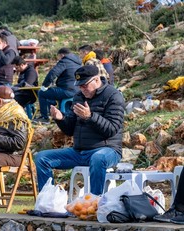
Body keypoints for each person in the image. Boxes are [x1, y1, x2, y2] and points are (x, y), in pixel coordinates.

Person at [34, 65, 125, 195]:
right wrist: (60, 118)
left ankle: (95, 202)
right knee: (42, 158)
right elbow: (70, 130)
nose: (82, 89)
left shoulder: (113, 96)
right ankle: (47, 201)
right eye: (79, 86)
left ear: (97, 80)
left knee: (98, 159)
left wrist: (90, 117)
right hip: (80, 151)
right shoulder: (79, 97)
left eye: (85, 85)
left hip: (108, 150)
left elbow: (112, 129)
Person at [34, 48, 82, 124]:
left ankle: (44, 117)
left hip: (67, 90)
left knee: (42, 93)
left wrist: (45, 85)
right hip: (78, 90)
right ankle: (56, 115)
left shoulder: (65, 61)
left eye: (58, 57)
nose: (58, 59)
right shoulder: (78, 62)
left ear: (62, 55)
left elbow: (53, 73)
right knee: (53, 94)